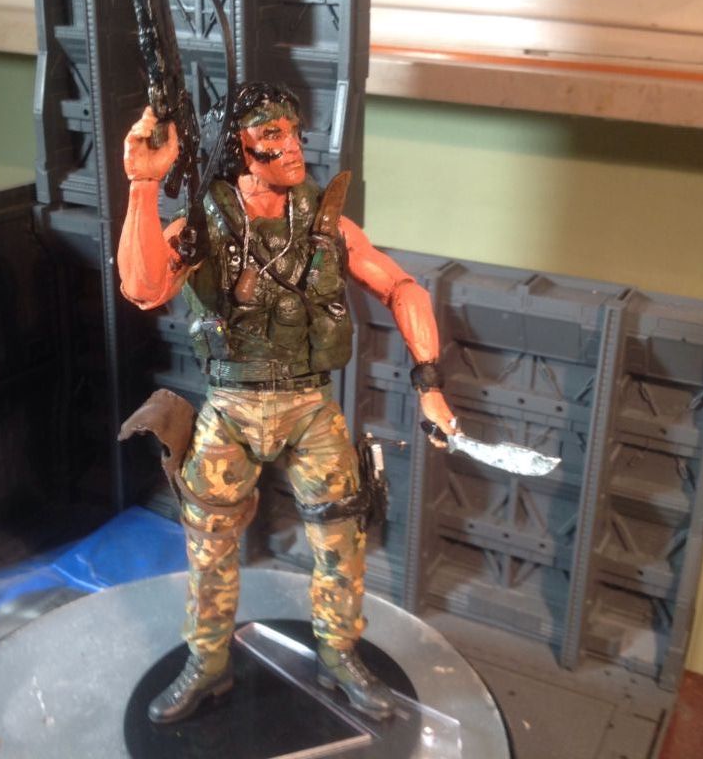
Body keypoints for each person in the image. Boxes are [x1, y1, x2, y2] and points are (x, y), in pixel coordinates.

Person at [117, 82, 458, 724]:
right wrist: (142, 183)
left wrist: (430, 383)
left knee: (341, 539)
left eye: (293, 130)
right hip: (232, 405)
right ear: (237, 148)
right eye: (271, 134)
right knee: (209, 545)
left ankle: (339, 654)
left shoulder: (328, 225)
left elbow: (403, 289)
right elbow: (143, 287)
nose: (292, 145)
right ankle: (208, 663)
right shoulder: (203, 226)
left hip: (309, 406)